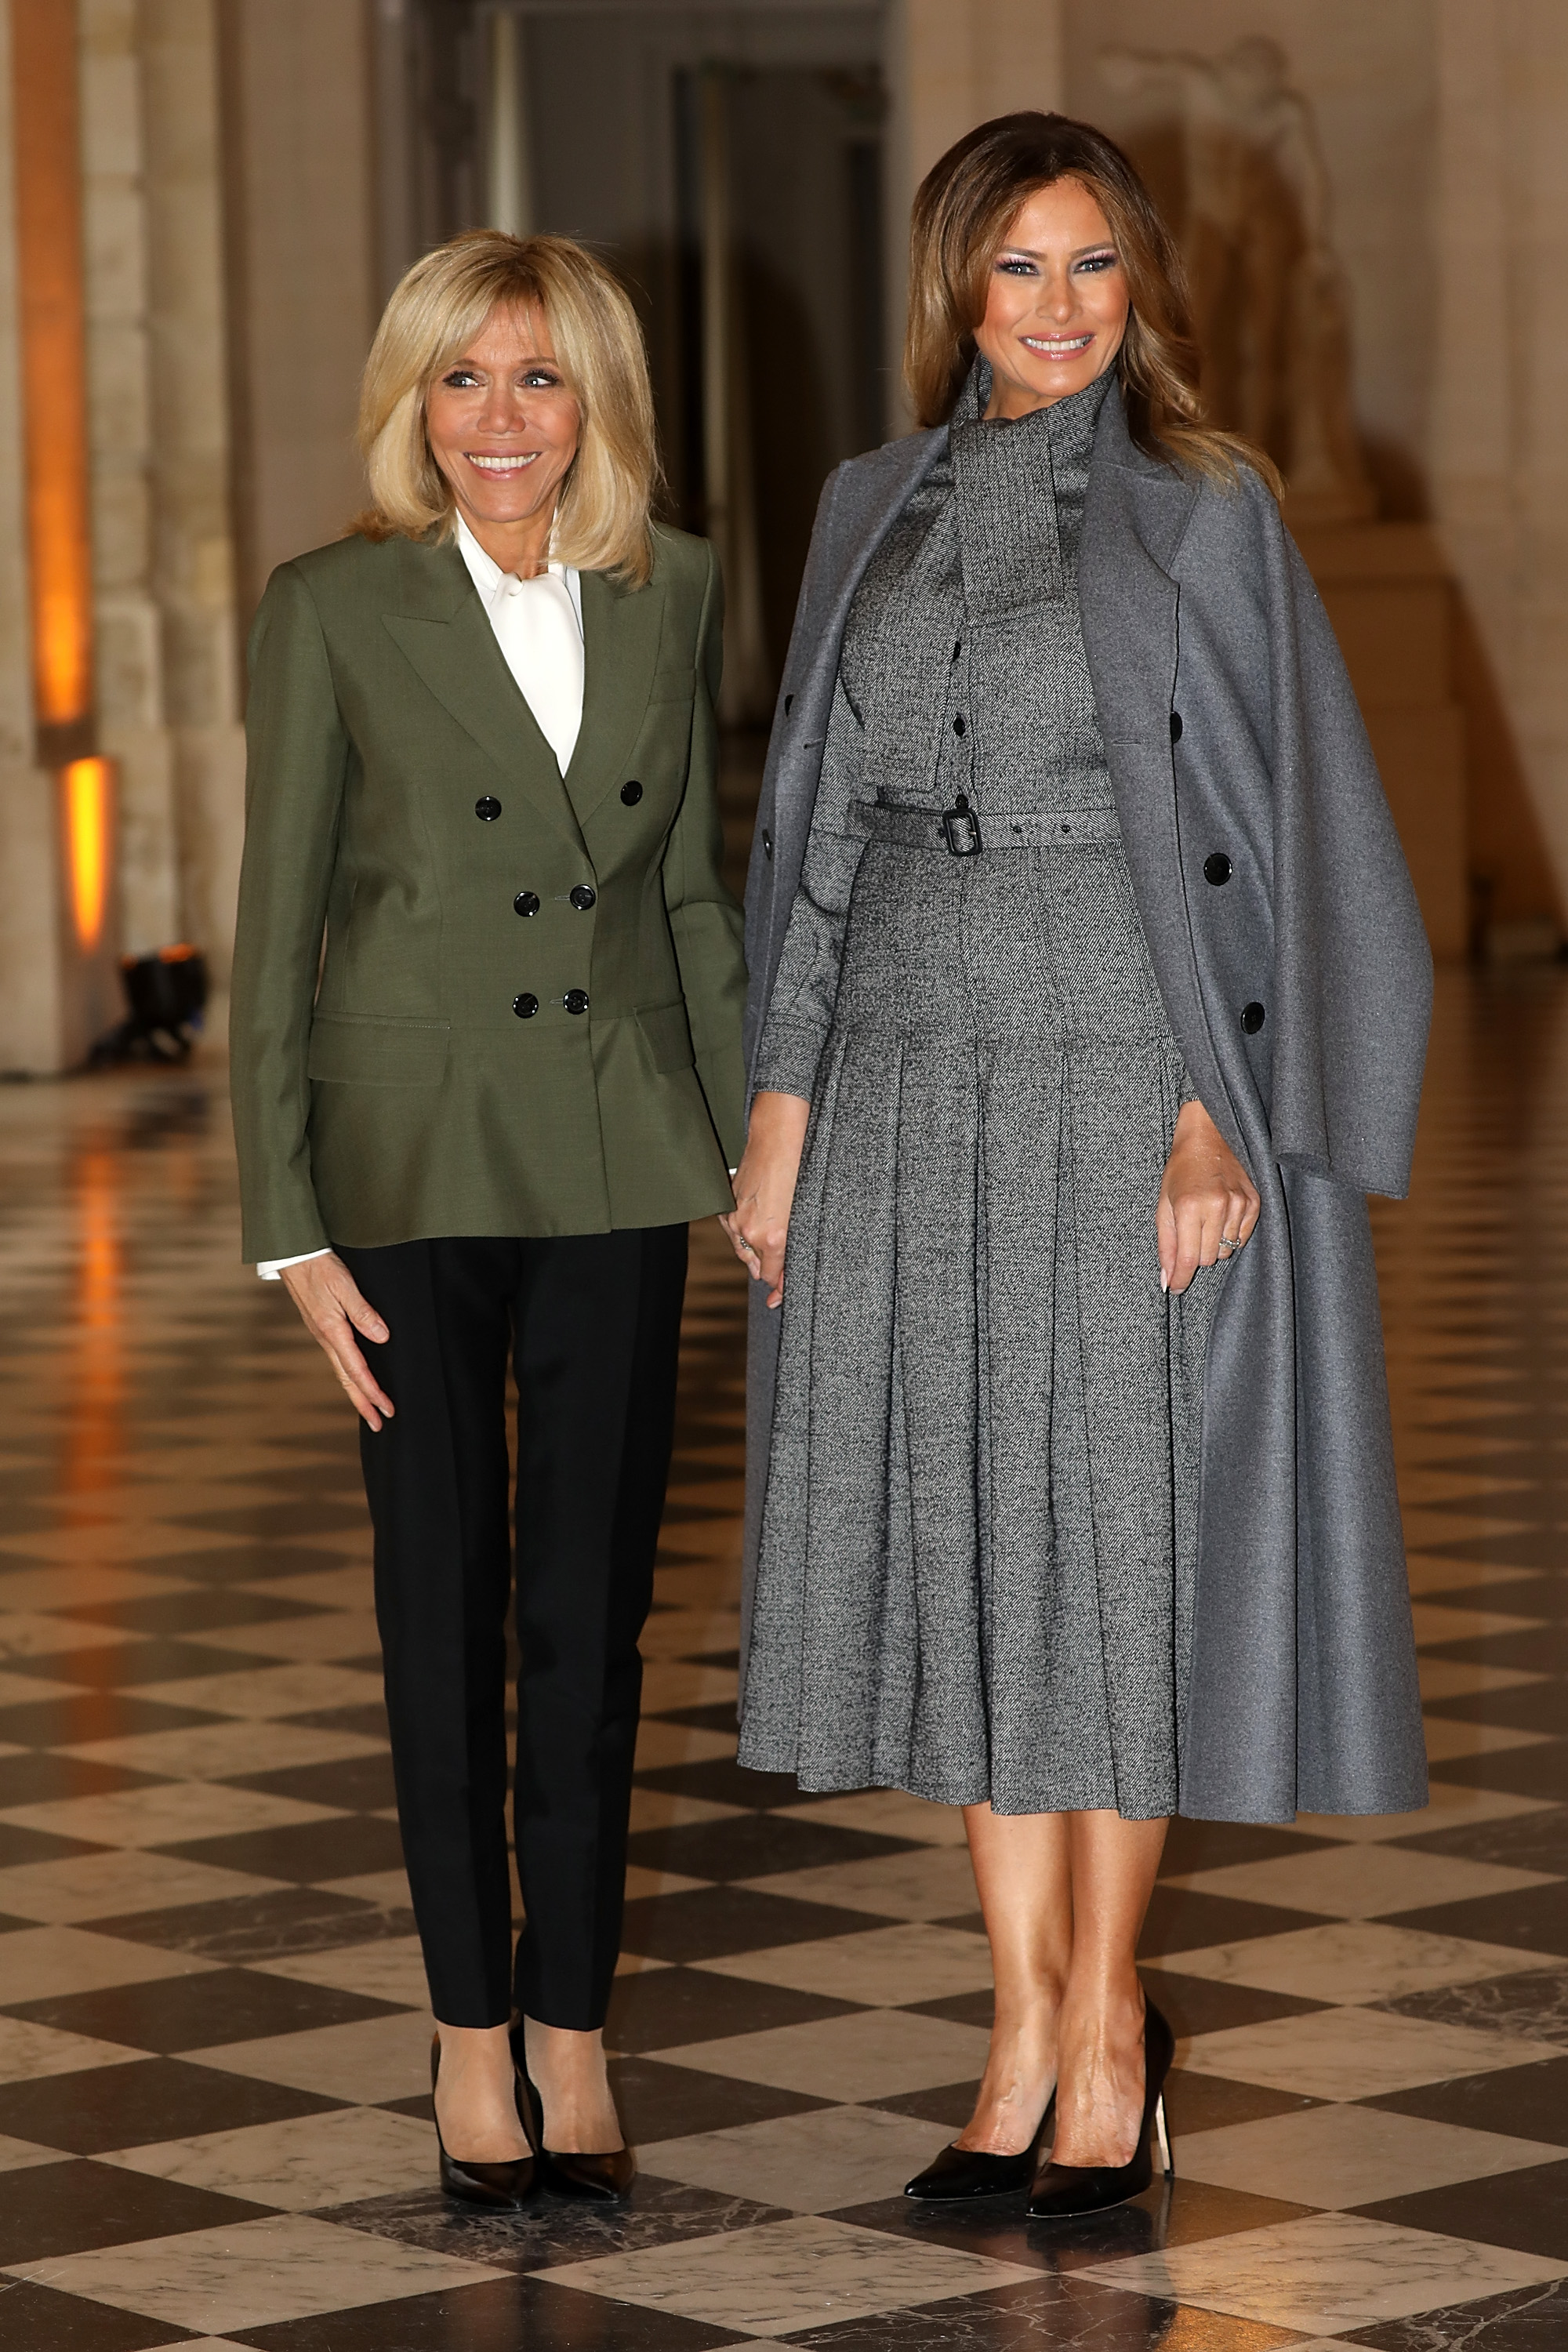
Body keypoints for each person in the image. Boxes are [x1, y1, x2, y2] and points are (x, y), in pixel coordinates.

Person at [724, 113, 1429, 2221]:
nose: (1054, 310)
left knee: (1108, 1572)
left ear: (1140, 292)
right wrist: (779, 1116)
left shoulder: (1206, 511)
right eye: (1016, 269)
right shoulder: (869, 502)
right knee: (965, 1567)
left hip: (1128, 1068)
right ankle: (1012, 2025)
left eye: (1091, 269)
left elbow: (1275, 835)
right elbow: (818, 828)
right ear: (955, 281)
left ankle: (1111, 2029)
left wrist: (1222, 1111)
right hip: (904, 1069)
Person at [230, 230, 746, 2210]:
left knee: (589, 1617)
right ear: (412, 405)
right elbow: (277, 934)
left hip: (615, 1156)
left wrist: (741, 1150)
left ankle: (574, 2026)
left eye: (537, 381)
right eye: (462, 381)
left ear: (594, 402)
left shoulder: (671, 589)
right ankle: (464, 2033)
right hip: (405, 1173)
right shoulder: (333, 608)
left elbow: (688, 896)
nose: (499, 423)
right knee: (439, 1607)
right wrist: (292, 1235)